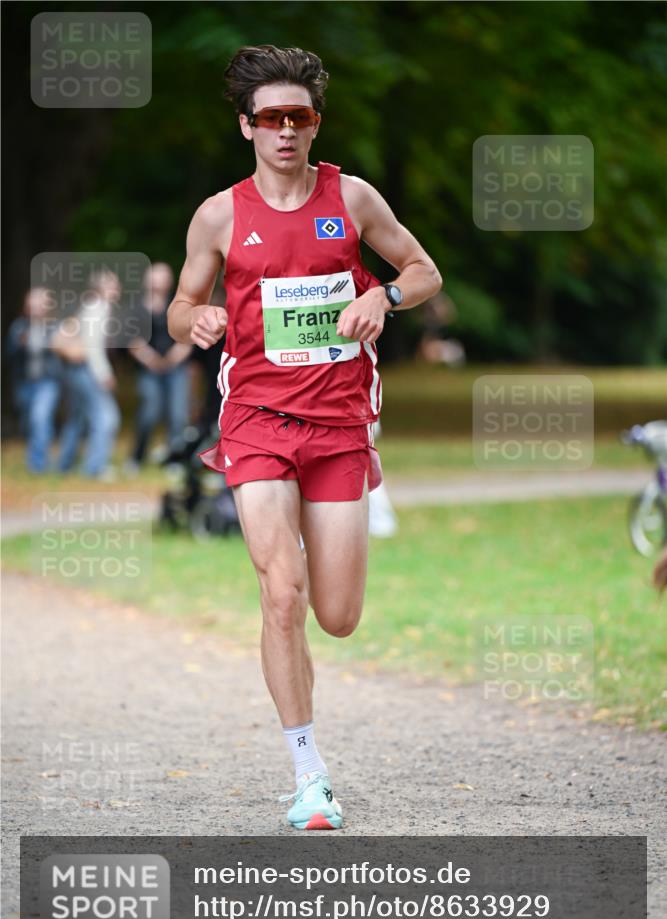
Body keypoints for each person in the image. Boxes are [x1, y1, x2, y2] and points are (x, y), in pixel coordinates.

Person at [167, 45, 442, 830]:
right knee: (279, 593)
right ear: (246, 127)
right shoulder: (219, 215)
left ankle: (309, 745)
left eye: (301, 117)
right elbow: (181, 307)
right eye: (271, 119)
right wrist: (201, 318)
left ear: (314, 124)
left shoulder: (350, 198)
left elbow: (424, 269)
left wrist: (383, 297)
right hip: (254, 419)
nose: (286, 131)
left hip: (338, 423)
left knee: (338, 613)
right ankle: (307, 773)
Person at [127, 263, 192, 470]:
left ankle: (174, 460)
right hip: (148, 369)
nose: (160, 281)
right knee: (149, 412)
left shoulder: (177, 304)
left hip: (176, 367)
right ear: (147, 280)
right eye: (156, 276)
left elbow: (189, 336)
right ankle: (136, 458)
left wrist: (174, 357)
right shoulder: (135, 308)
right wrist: (150, 359)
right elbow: (132, 340)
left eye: (164, 276)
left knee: (178, 414)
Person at [58, 270, 121, 479]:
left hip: (77, 371)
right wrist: (105, 374)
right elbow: (92, 346)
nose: (116, 288)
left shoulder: (90, 306)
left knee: (77, 419)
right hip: (87, 369)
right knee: (107, 417)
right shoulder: (99, 308)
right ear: (99, 289)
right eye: (111, 284)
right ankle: (95, 467)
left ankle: (64, 466)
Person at [5, 287, 62, 471]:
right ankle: (39, 458)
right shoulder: (19, 326)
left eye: (41, 303)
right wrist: (19, 344)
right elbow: (7, 355)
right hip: (24, 382)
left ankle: (38, 465)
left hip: (48, 382)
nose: (37, 307)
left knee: (40, 417)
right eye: (33, 303)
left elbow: (63, 355)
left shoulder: (55, 327)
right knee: (29, 422)